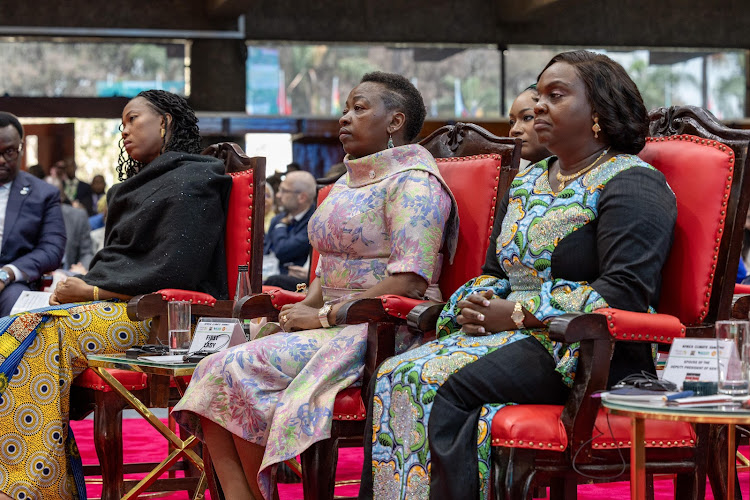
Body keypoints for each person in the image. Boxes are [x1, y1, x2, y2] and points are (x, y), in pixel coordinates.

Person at [360, 50, 678, 500]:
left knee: (434, 379)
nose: (539, 104)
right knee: (395, 374)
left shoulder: (632, 182)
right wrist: (475, 304)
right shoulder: (529, 182)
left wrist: (520, 313)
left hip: (582, 347)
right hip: (513, 333)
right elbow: (496, 271)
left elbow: (625, 290)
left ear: (599, 112)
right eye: (540, 93)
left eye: (556, 95)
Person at [172, 71, 459, 500]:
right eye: (345, 108)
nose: (344, 118)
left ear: (395, 121)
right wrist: (302, 307)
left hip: (383, 328)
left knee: (230, 370)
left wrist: (321, 315)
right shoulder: (347, 181)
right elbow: (327, 272)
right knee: (213, 367)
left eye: (359, 108)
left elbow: (410, 281)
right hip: (331, 324)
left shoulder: (414, 181)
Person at [0, 90, 232, 500]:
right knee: (9, 328)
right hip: (113, 309)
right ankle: (38, 479)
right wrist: (85, 289)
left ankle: (33, 488)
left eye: (132, 119)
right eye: (121, 123)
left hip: (163, 320)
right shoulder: (135, 186)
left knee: (35, 334)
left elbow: (178, 269)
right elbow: (120, 261)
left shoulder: (197, 178)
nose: (123, 130)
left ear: (164, 122)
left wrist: (89, 289)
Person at [0, 112, 66, 317]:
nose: (1, 160)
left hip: (12, 282)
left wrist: (7, 273)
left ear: (21, 148)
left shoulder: (44, 194)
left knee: (18, 312)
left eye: (9, 152)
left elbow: (52, 248)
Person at [262, 169, 317, 290]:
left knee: (274, 281)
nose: (278, 195)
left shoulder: (315, 221)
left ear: (302, 197)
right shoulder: (278, 219)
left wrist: (280, 227)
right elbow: (265, 250)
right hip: (272, 273)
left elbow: (283, 250)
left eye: (284, 191)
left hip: (300, 284)